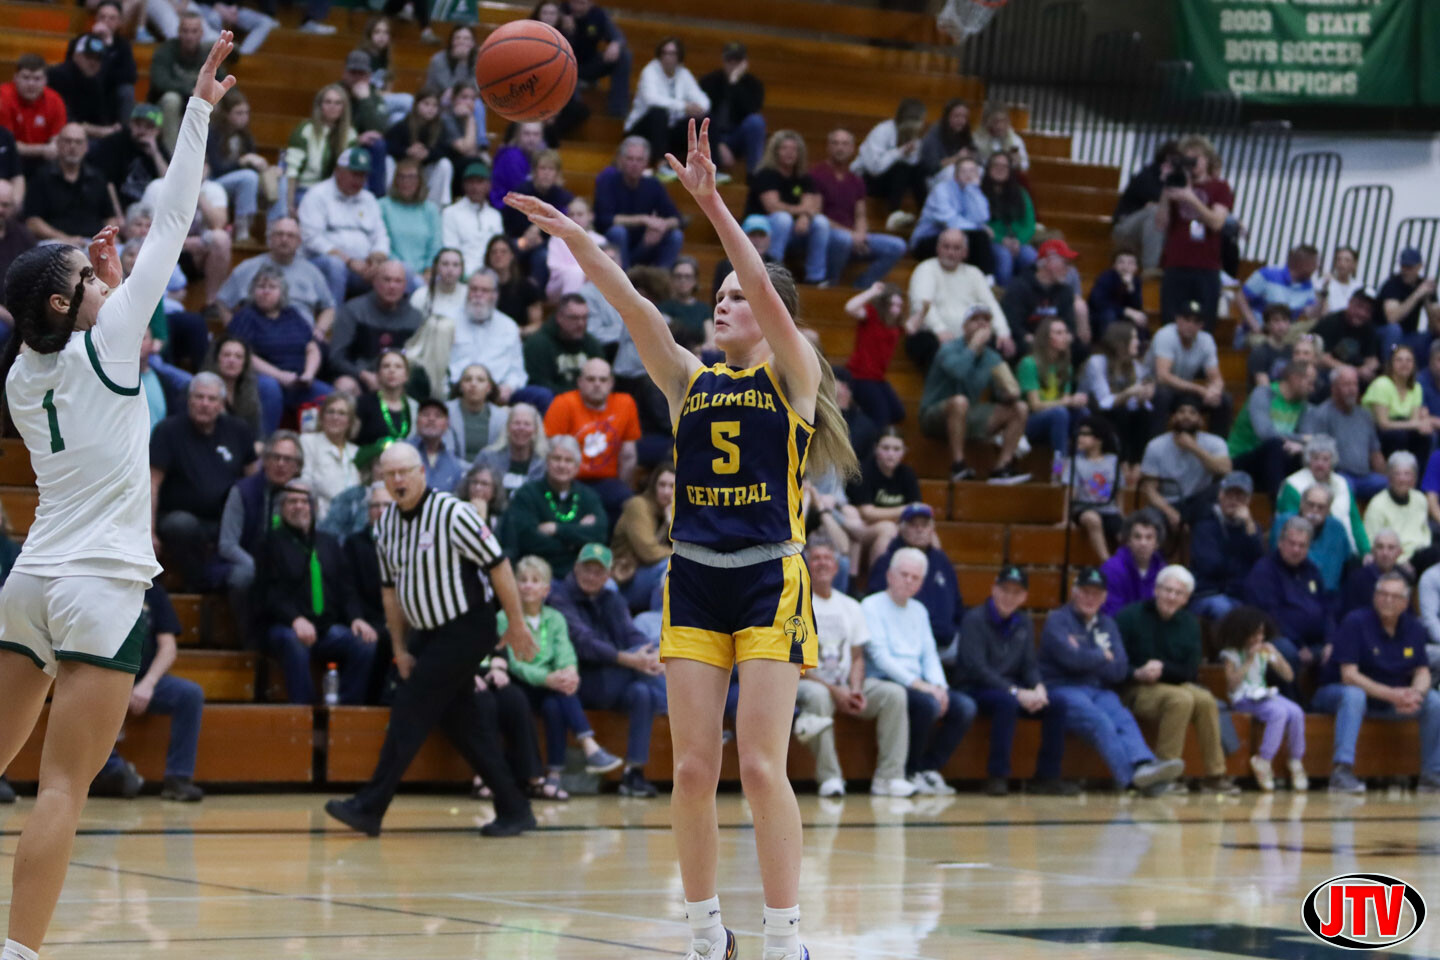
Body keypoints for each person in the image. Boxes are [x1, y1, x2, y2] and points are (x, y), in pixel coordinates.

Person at [505, 118, 860, 960]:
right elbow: (632, 305)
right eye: (719, 297)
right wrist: (576, 241)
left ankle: (784, 940)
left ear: (769, 316)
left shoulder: (795, 375)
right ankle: (706, 935)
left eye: (737, 297)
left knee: (762, 767)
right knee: (695, 768)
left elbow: (761, 285)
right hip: (694, 578)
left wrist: (711, 204)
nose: (723, 304)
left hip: (769, 580)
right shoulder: (687, 380)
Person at [0, 35, 231, 960]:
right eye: (87, 277)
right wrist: (199, 110)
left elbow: (67, 316)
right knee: (62, 788)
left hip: (31, 581)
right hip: (99, 586)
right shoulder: (113, 339)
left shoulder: (22, 375)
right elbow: (174, 215)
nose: (102, 277)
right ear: (69, 307)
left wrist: (96, 280)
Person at [324, 443, 539, 837]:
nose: (397, 480)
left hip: (467, 627)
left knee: (409, 707)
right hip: (428, 634)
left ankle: (370, 806)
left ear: (421, 472)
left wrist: (516, 623)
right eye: (390, 474)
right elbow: (390, 593)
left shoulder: (453, 513)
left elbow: (498, 565)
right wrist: (400, 649)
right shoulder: (385, 527)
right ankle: (514, 806)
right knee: (463, 724)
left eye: (404, 472)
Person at [1040, 567, 1184, 794]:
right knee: (1100, 721)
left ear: (1104, 597)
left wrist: (1085, 655)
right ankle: (1132, 781)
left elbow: (1119, 670)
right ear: (1074, 592)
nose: (1090, 598)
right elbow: (1070, 660)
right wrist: (1101, 655)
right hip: (1063, 688)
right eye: (1085, 592)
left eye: (1096, 594)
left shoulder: (1108, 624)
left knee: (1123, 717)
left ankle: (1144, 764)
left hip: (1099, 689)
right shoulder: (1058, 620)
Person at [794, 538, 913, 798]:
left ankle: (889, 777)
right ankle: (830, 778)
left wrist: (855, 688)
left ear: (837, 567)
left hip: (846, 684)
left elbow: (857, 657)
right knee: (819, 696)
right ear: (806, 564)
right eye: (816, 558)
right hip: (808, 684)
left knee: (894, 694)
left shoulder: (850, 606)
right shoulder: (796, 604)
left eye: (828, 558)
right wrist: (835, 691)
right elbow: (796, 663)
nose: (822, 563)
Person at [501, 555, 623, 797]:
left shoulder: (555, 618)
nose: (528, 585)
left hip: (551, 687)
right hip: (522, 687)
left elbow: (565, 651)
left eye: (535, 580)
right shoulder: (504, 618)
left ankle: (555, 775)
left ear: (546, 589)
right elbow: (515, 664)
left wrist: (569, 672)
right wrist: (549, 678)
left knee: (556, 705)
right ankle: (589, 746)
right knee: (558, 693)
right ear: (515, 586)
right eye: (523, 580)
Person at [1312, 571, 1439, 794]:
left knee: (1434, 701)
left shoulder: (1414, 628)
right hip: (1337, 695)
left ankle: (1432, 774)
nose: (1388, 600)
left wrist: (1415, 694)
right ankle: (1342, 771)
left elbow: (1422, 671)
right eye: (1383, 594)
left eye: (1395, 596)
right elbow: (1349, 675)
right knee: (1354, 695)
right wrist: (1393, 694)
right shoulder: (1356, 622)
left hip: (1390, 701)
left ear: (1405, 602)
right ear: (1374, 596)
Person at [864, 547, 976, 796]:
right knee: (927, 704)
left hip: (921, 682)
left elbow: (930, 655)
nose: (908, 581)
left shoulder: (919, 610)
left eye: (915, 578)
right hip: (886, 680)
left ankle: (928, 768)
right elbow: (880, 658)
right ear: (890, 575)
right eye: (904, 574)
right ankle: (909, 771)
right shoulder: (871, 606)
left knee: (964, 707)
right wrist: (921, 685)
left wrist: (940, 687)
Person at [958, 566, 1078, 797]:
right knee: (1007, 703)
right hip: (975, 687)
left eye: (1016, 592)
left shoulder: (1024, 622)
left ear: (1024, 597)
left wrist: (1038, 687)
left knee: (1057, 703)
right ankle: (997, 776)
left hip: (1011, 689)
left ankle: (1047, 777)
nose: (1009, 597)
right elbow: (977, 669)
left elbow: (1029, 665)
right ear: (994, 589)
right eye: (1005, 590)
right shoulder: (974, 619)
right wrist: (1015, 691)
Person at [1117, 565, 1238, 794]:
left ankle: (1215, 775)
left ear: (1186, 599)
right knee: (1180, 699)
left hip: (1173, 683)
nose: (1172, 597)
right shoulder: (1130, 617)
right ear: (1156, 590)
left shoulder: (1190, 623)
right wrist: (1138, 672)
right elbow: (1115, 664)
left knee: (1206, 699)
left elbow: (1190, 671)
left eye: (1178, 593)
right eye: (1167, 590)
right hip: (1135, 687)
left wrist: (1163, 668)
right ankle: (1164, 775)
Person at [258, 480, 375, 704]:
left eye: (304, 501)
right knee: (295, 641)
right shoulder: (269, 543)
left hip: (326, 628)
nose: (299, 506)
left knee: (365, 642)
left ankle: (345, 711)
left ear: (314, 507)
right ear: (282, 507)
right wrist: (295, 619)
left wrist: (357, 618)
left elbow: (346, 589)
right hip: (285, 627)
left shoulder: (329, 543)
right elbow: (269, 593)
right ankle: (305, 713)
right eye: (292, 501)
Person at [149, 370, 258, 590]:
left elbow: (253, 481)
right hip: (179, 518)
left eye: (211, 399)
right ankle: (200, 584)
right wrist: (148, 532)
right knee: (181, 525)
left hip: (225, 520)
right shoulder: (167, 431)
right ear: (189, 400)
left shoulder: (239, 430)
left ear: (221, 404)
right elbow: (151, 485)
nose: (204, 404)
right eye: (199, 397)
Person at [917, 304, 1029, 484]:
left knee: (1020, 408)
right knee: (960, 402)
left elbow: (1001, 392)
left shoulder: (992, 357)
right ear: (964, 327)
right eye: (975, 320)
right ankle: (958, 465)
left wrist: (1009, 394)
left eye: (986, 320)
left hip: (968, 414)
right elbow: (959, 372)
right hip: (933, 415)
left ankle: (1002, 467)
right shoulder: (948, 348)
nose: (982, 324)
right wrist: (974, 347)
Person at [227, 266, 329, 435]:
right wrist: (280, 376)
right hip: (263, 378)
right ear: (252, 291)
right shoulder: (246, 316)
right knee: (270, 387)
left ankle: (316, 445)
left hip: (298, 380)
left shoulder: (292, 315)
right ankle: (264, 442)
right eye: (261, 287)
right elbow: (245, 355)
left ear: (282, 292)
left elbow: (312, 347)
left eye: (272, 287)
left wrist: (309, 374)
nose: (265, 292)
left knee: (328, 395)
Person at [1216, 606, 1305, 792]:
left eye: (1262, 634)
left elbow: (1289, 677)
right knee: (1278, 713)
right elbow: (1232, 685)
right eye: (1255, 634)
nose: (1259, 638)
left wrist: (1276, 656)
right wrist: (1249, 660)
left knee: (1296, 712)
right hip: (1243, 698)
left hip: (1263, 694)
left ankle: (1295, 759)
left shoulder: (1265, 650)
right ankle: (1264, 759)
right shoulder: (1231, 654)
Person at [809, 128, 907, 289]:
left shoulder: (856, 180)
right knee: (843, 239)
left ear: (852, 149)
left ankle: (861, 287)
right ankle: (830, 283)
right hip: (829, 236)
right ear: (828, 147)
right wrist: (851, 234)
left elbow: (860, 215)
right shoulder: (816, 174)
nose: (840, 148)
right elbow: (816, 215)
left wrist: (861, 234)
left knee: (897, 246)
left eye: (844, 144)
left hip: (853, 236)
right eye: (835, 143)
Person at [904, 229, 1010, 370]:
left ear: (965, 252)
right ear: (938, 248)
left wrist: (1003, 331)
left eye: (956, 248)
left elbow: (990, 304)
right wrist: (940, 330)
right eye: (946, 247)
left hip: (969, 337)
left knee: (1001, 345)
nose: (950, 252)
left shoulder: (974, 273)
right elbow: (922, 306)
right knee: (932, 347)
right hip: (932, 335)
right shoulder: (925, 269)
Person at [502, 436, 607, 579]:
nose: (562, 465)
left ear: (577, 467)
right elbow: (528, 540)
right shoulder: (527, 494)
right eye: (556, 459)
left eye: (568, 460)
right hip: (537, 575)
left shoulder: (588, 496)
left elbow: (600, 535)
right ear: (547, 462)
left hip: (580, 576)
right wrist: (577, 538)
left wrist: (557, 529)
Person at [298, 147, 391, 310]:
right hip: (321, 265)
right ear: (338, 172)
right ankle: (333, 320)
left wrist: (377, 258)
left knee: (400, 271)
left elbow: (381, 235)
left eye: (363, 175)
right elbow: (311, 238)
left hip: (364, 267)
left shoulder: (369, 199)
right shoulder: (317, 195)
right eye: (354, 174)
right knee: (335, 266)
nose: (359, 180)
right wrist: (348, 261)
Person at [1156, 135, 1233, 326]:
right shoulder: (1176, 184)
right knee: (1170, 323)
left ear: (1207, 159)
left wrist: (1190, 198)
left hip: (1206, 266)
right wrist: (1166, 189)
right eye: (1187, 158)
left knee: (1204, 324)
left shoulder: (1220, 187)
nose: (1192, 162)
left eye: (1196, 157)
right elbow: (1160, 224)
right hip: (1176, 264)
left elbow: (1216, 223)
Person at [1244, 515, 1331, 679]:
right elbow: (1271, 616)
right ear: (1280, 542)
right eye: (1292, 543)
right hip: (1280, 638)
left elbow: (1326, 608)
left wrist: (1329, 641)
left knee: (1342, 649)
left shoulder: (1312, 570)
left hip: (1314, 642)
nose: (1296, 550)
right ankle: (1292, 695)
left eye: (1302, 545)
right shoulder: (1265, 571)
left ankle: (1327, 693)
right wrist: (1299, 645)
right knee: (1286, 651)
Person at [216, 217, 334, 331]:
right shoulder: (247, 268)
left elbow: (329, 308)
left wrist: (319, 332)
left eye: (290, 235)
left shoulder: (311, 272)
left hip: (300, 337)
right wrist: (235, 332)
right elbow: (222, 301)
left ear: (299, 242)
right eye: (279, 234)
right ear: (270, 239)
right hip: (256, 334)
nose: (284, 239)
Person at [746, 130, 830, 285]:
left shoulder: (804, 177)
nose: (789, 153)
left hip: (795, 229)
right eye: (784, 148)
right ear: (775, 151)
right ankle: (773, 269)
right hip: (763, 227)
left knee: (821, 222)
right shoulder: (766, 174)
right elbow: (772, 206)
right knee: (783, 219)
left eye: (794, 149)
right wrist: (804, 211)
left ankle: (816, 277)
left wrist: (805, 217)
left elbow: (811, 205)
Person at [1138, 395, 1231, 531]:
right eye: (1181, 412)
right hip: (1168, 502)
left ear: (1200, 420)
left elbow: (1225, 469)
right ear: (1172, 417)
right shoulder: (1155, 445)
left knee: (1217, 496)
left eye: (1192, 413)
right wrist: (1169, 511)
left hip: (1199, 502)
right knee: (1149, 518)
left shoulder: (1215, 442)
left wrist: (1194, 448)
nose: (1186, 416)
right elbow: (1150, 490)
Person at [450, 270, 541, 407]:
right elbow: (438, 366)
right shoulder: (449, 322)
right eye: (474, 289)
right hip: (457, 392)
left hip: (497, 394)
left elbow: (517, 371)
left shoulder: (508, 326)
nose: (478, 295)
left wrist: (508, 388)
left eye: (485, 290)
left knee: (540, 396)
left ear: (495, 295)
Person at [328, 262, 422, 394]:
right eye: (387, 280)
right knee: (344, 385)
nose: (392, 286)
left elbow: (418, 361)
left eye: (398, 281)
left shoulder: (415, 318)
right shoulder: (353, 310)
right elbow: (336, 357)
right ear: (375, 282)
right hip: (359, 379)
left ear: (405, 286)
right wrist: (363, 375)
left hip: (398, 383)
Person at [593, 137, 683, 269]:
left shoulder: (653, 185)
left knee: (676, 236)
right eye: (630, 159)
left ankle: (660, 278)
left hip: (646, 242)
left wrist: (661, 226)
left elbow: (677, 219)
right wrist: (643, 219)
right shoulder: (608, 181)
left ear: (646, 163)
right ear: (621, 160)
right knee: (618, 232)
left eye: (639, 160)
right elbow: (604, 219)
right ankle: (622, 277)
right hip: (614, 245)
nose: (634, 164)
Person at [1228, 360, 1314, 498]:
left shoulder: (1304, 406)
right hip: (1243, 457)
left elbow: (1310, 439)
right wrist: (1301, 439)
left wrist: (1301, 446)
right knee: (1275, 446)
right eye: (1309, 383)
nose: (1312, 389)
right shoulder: (1264, 393)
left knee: (1308, 454)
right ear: (1295, 378)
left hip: (1276, 460)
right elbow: (1265, 434)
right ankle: (1278, 503)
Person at [1302, 364, 1388, 501]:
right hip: (1337, 475)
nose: (1352, 389)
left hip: (1366, 477)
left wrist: (1388, 477)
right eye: (1346, 384)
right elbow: (1315, 452)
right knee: (1345, 486)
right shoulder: (1321, 414)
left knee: (1389, 485)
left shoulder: (1365, 415)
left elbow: (1375, 454)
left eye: (1354, 384)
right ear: (1334, 388)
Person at [623, 37, 709, 171]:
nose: (668, 57)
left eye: (672, 53)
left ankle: (708, 168)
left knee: (704, 119)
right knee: (659, 113)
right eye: (665, 53)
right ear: (660, 55)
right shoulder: (650, 71)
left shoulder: (683, 73)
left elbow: (703, 100)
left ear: (679, 56)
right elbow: (652, 99)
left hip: (668, 132)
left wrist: (699, 109)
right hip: (642, 129)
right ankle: (661, 164)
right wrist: (684, 106)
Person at [1276, 435, 1369, 557]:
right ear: (1308, 460)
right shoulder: (1293, 485)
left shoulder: (1343, 483)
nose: (1320, 464)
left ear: (1333, 461)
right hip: (1307, 553)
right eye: (1315, 458)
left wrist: (1366, 551)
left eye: (1325, 459)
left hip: (1347, 552)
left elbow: (1355, 522)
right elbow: (1289, 525)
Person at [1189, 471, 1265, 621]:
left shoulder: (1251, 528)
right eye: (1230, 495)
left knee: (1262, 610)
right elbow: (1212, 566)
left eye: (1240, 496)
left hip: (1239, 594)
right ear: (1220, 495)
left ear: (1248, 500)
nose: (1234, 501)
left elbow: (1258, 563)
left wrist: (1249, 526)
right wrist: (1240, 564)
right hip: (1208, 593)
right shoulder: (1205, 524)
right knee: (1227, 611)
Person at [1146, 300, 1230, 434]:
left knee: (1223, 400)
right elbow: (1163, 377)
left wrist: (1215, 391)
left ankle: (1218, 444)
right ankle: (1155, 442)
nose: (1190, 325)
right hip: (1154, 387)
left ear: (1201, 325)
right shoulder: (1165, 335)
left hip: (1184, 390)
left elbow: (1216, 377)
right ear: (1177, 319)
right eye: (1187, 320)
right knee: (1163, 395)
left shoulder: (1206, 340)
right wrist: (1200, 390)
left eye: (1196, 321)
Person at [1017, 316, 1087, 477]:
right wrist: (1067, 401)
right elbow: (1035, 405)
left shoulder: (1066, 367)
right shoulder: (1029, 364)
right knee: (1059, 413)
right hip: (1030, 422)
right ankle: (1058, 469)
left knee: (1083, 413)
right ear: (1045, 338)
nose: (1065, 337)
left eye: (1065, 332)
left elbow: (1066, 401)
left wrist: (1075, 402)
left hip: (1057, 419)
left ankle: (1080, 465)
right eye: (1059, 333)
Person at [1080, 319, 1153, 474]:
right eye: (1134, 338)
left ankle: (1138, 464)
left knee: (1144, 413)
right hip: (1092, 413)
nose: (1138, 342)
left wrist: (1142, 398)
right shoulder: (1097, 362)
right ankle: (1122, 463)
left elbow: (1135, 404)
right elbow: (1104, 402)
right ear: (1120, 343)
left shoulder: (1135, 366)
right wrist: (1129, 393)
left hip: (1120, 413)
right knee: (1121, 411)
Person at [22, 124, 113, 246]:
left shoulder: (97, 177)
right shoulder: (41, 177)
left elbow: (110, 217)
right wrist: (64, 238)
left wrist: (106, 237)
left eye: (78, 142)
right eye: (68, 141)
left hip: (93, 242)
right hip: (54, 243)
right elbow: (32, 222)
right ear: (58, 144)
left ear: (86, 147)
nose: (73, 146)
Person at [846, 428, 921, 567]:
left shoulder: (907, 474)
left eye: (896, 449)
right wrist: (905, 510)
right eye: (885, 448)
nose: (891, 454)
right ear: (876, 449)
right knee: (888, 529)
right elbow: (867, 513)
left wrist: (907, 513)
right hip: (862, 529)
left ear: (904, 451)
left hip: (899, 526)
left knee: (928, 533)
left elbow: (917, 512)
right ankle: (877, 578)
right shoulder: (863, 471)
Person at [278, 84, 355, 221]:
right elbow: (292, 171)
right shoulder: (305, 130)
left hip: (337, 193)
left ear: (344, 108)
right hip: (306, 189)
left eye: (338, 103)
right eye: (328, 102)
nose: (332, 107)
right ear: (320, 106)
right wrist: (289, 205)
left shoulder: (351, 135)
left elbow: (352, 172)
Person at [910, 156, 994, 274]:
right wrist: (980, 228)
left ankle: (982, 279)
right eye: (964, 171)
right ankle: (986, 278)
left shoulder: (974, 191)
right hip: (927, 240)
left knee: (982, 241)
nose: (968, 175)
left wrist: (972, 190)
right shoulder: (941, 190)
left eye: (972, 171)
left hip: (958, 240)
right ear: (955, 175)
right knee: (978, 237)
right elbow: (951, 222)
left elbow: (982, 218)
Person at [852, 99, 928, 225]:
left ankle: (925, 212)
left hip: (893, 183)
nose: (922, 125)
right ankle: (893, 212)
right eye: (920, 120)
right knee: (902, 168)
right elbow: (874, 168)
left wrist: (910, 153)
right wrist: (899, 152)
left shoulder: (914, 137)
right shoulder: (882, 131)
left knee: (918, 169)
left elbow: (914, 166)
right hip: (866, 180)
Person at [1001, 237, 1085, 352]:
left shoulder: (1065, 291)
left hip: (1057, 341)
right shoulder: (1019, 287)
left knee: (1081, 349)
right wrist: (1038, 343)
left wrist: (1065, 339)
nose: (1068, 269)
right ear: (1049, 262)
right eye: (1065, 263)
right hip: (1028, 342)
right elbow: (1013, 325)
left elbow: (1070, 327)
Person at [611, 463, 674, 612]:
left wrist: (670, 522)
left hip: (646, 576)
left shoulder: (673, 511)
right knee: (669, 566)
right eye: (662, 485)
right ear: (653, 486)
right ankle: (659, 621)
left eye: (672, 486)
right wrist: (681, 555)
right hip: (625, 578)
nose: (666, 491)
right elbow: (648, 552)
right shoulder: (639, 506)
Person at [205, 89, 265, 244]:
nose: (244, 117)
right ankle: (242, 231)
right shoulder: (213, 133)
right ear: (226, 114)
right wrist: (241, 162)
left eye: (246, 113)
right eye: (239, 113)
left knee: (280, 181)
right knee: (249, 178)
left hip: (240, 181)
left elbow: (251, 164)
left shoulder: (245, 136)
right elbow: (216, 168)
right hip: (215, 182)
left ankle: (274, 229)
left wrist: (263, 166)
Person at [844, 282, 906, 426]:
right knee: (881, 417)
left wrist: (924, 310)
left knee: (898, 412)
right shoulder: (871, 315)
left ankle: (861, 416)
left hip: (877, 378)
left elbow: (911, 328)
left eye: (899, 306)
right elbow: (850, 308)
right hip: (860, 376)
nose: (896, 309)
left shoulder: (895, 325)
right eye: (892, 305)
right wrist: (872, 291)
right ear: (883, 304)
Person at [1363, 451, 1436, 571]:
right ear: (1389, 478)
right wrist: (1400, 561)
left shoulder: (1420, 499)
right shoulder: (1377, 504)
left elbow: (1425, 532)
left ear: (1414, 478)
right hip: (1394, 560)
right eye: (1397, 474)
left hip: (1421, 554)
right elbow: (1372, 542)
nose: (1402, 479)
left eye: (1407, 474)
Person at [1236, 244, 1320, 346]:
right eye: (1314, 263)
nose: (1317, 267)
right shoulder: (1267, 274)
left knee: (1316, 336)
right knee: (1263, 344)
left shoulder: (1308, 285)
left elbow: (1311, 315)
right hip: (1261, 332)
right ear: (1302, 263)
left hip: (1288, 333)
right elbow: (1240, 297)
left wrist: (1323, 295)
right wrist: (1255, 326)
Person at [1063, 417, 1122, 562]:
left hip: (1109, 509)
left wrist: (1121, 513)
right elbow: (1070, 493)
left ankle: (1129, 566)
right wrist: (1066, 519)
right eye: (1079, 434)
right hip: (1083, 509)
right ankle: (1107, 562)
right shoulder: (1075, 462)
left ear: (1098, 439)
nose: (1080, 438)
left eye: (1085, 434)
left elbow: (1119, 491)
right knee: (1092, 519)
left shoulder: (1113, 461)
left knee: (1126, 531)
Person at [1363, 344, 1434, 461]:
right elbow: (1383, 424)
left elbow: (1414, 420)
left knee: (1425, 436)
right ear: (1391, 364)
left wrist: (1422, 424)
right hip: (1375, 432)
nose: (1404, 364)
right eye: (1399, 360)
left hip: (1402, 429)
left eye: (1408, 360)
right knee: (1399, 436)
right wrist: (1416, 424)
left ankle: (1418, 471)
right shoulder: (1382, 384)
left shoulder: (1416, 387)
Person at [523, 294, 603, 398]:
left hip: (588, 401)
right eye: (574, 318)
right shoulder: (538, 344)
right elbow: (539, 383)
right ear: (559, 317)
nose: (581, 323)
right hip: (553, 401)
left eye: (585, 317)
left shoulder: (592, 343)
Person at [379, 158, 444, 282]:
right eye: (401, 177)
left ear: (420, 181)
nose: (406, 182)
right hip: (393, 272)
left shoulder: (430, 209)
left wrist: (429, 270)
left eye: (411, 177)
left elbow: (435, 245)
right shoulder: (383, 206)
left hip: (425, 274)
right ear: (395, 180)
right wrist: (404, 271)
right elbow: (382, 243)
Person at [566, 0, 633, 118]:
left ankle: (618, 110)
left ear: (591, 3)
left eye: (582, 3)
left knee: (624, 55)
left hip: (587, 64)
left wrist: (616, 44)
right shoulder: (560, 12)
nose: (578, 7)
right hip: (565, 66)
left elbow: (618, 36)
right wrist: (564, 29)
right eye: (575, 2)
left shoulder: (598, 15)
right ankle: (574, 107)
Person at [300, 392, 360, 522]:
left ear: (350, 422)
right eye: (330, 412)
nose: (335, 417)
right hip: (319, 518)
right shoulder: (308, 442)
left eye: (342, 413)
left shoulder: (355, 451)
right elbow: (305, 482)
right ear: (322, 417)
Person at [46, 36, 118, 141]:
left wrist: (111, 129)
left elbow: (100, 119)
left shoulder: (94, 82)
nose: (93, 62)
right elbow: (63, 119)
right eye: (89, 56)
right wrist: (99, 131)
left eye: (98, 58)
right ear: (76, 55)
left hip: (82, 136)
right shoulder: (57, 75)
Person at [981, 151, 1037, 287]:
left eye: (1004, 166)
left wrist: (1018, 241)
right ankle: (1003, 295)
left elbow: (1030, 224)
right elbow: (980, 224)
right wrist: (1001, 240)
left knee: (1031, 257)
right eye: (996, 165)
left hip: (1018, 242)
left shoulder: (1021, 193)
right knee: (1004, 256)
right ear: (988, 168)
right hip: (992, 241)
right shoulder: (979, 193)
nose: (1000, 169)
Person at [440, 161, 503, 279]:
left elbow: (498, 250)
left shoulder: (495, 216)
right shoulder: (450, 213)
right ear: (464, 185)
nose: (475, 187)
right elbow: (451, 250)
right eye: (470, 182)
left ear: (488, 185)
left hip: (491, 277)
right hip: (461, 276)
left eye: (479, 182)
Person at [1378, 247, 1440, 362]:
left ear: (1419, 267)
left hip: (1410, 335)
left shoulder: (1425, 286)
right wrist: (1417, 294)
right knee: (1394, 330)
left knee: (1431, 339)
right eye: (1403, 266)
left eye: (1410, 267)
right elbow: (1392, 318)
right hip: (1384, 333)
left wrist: (1427, 300)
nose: (1406, 271)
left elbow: (1436, 326)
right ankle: (1388, 367)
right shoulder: (1392, 284)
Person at [1099, 510, 1165, 617]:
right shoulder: (1112, 569)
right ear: (1128, 541)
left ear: (1157, 543)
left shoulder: (1163, 571)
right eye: (1137, 537)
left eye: (1149, 537)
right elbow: (1111, 612)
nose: (1143, 543)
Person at [353, 348, 418, 448]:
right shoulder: (363, 403)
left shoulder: (414, 406)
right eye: (386, 366)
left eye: (398, 366)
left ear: (406, 375)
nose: (392, 370)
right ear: (378, 374)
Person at [1346, 528, 1405, 620]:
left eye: (1391, 548)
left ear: (1399, 552)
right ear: (1373, 551)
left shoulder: (1404, 578)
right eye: (1380, 547)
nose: (1385, 553)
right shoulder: (1357, 578)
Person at [1087, 249, 1148, 338]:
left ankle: (1139, 345)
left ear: (1136, 267)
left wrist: (1130, 288)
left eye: (1130, 263)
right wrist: (1125, 311)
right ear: (1114, 265)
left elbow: (1137, 307)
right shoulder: (1106, 277)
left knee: (1141, 318)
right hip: (1101, 317)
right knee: (1109, 314)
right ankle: (1108, 345)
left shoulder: (1136, 281)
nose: (1125, 267)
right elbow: (1098, 302)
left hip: (1123, 316)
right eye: (1121, 262)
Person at [409, 399, 464, 492]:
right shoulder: (402, 451)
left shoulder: (453, 463)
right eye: (425, 414)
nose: (431, 419)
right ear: (417, 421)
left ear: (447, 424)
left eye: (438, 416)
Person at [919, 98, 975, 188]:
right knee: (951, 171)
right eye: (957, 116)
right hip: (934, 177)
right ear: (947, 117)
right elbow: (932, 167)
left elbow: (975, 155)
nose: (961, 121)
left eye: (964, 117)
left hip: (959, 173)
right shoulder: (935, 133)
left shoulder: (965, 133)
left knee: (977, 170)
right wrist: (957, 158)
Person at [974, 102, 1028, 172]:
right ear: (987, 122)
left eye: (1003, 121)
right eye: (995, 121)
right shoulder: (977, 139)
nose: (1000, 126)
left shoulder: (1015, 140)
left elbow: (1025, 165)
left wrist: (1018, 163)